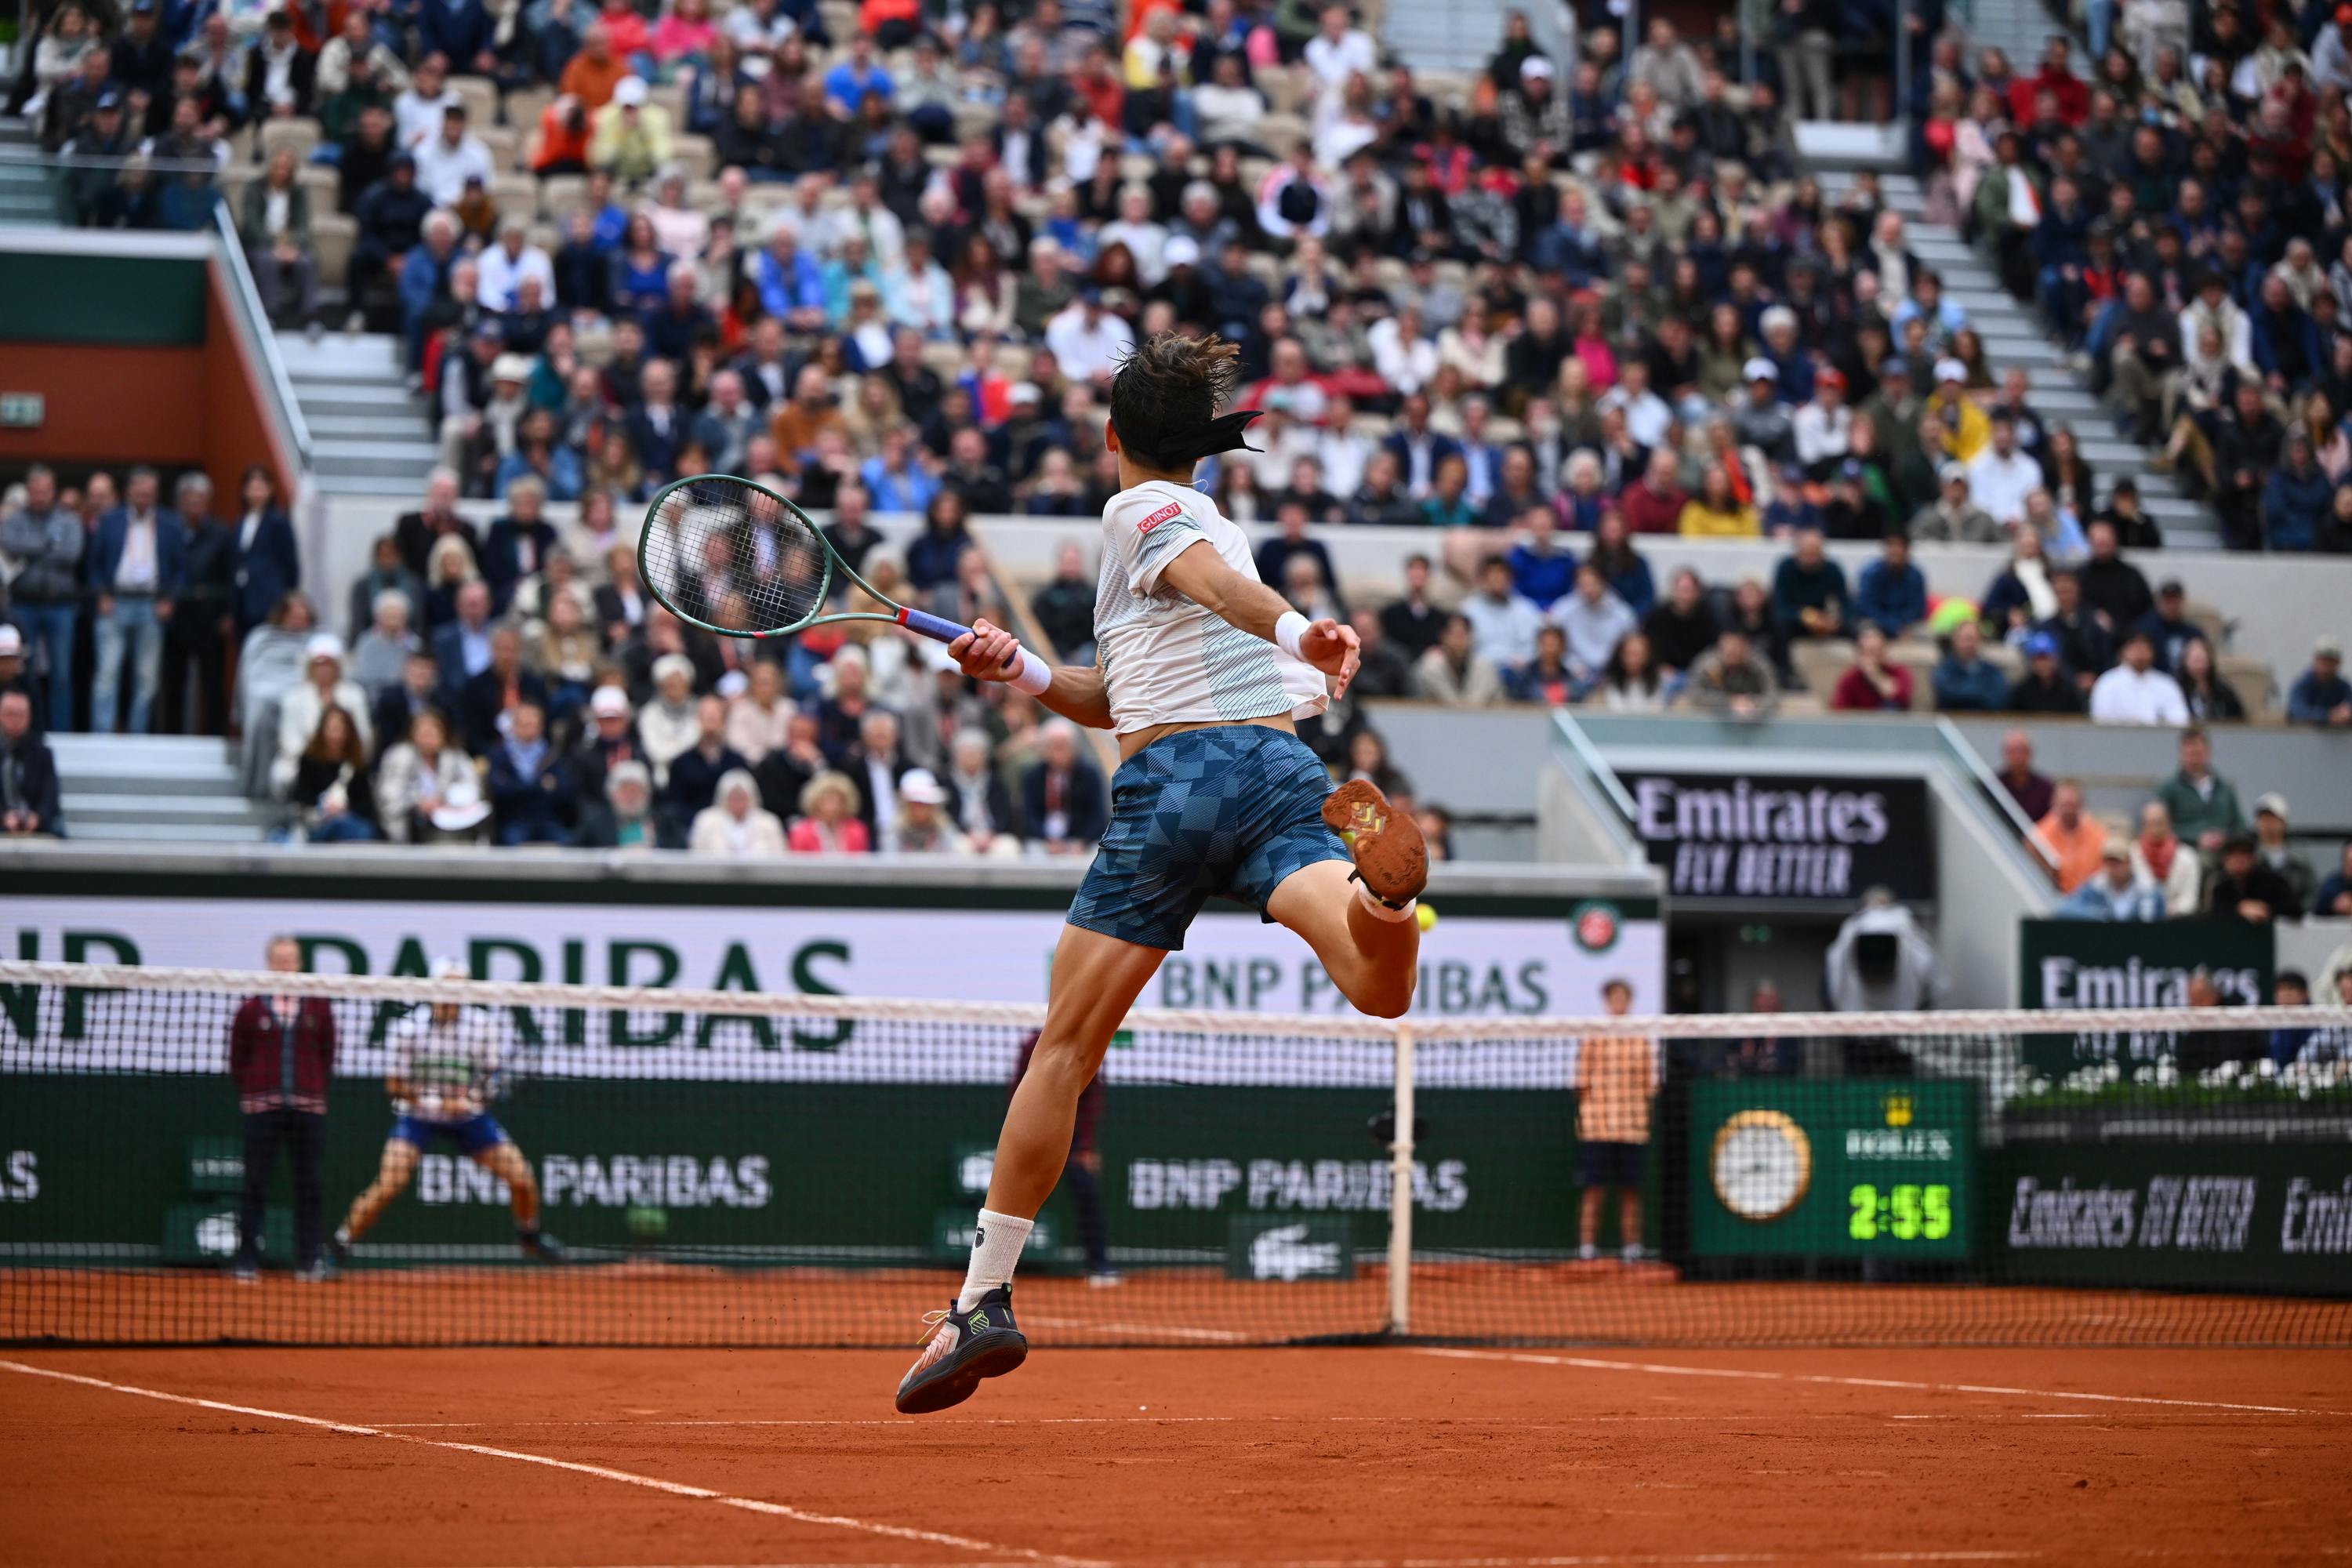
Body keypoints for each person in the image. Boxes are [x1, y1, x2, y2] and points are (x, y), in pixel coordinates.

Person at [898, 333, 1426, 1416]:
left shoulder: (1140, 516)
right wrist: (1025, 670)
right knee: (1380, 988)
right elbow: (1118, 697)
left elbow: (1214, 589)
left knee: (1065, 1049)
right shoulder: (1204, 522)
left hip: (1177, 785)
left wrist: (1293, 625)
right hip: (1281, 765)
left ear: (1112, 439)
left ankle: (982, 1302)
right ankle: (1385, 901)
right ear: (1208, 449)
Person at [329, 960, 563, 1269]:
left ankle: (529, 1234)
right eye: (447, 985)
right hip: (417, 1117)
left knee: (522, 1178)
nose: (453, 993)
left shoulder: (482, 1027)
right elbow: (394, 1085)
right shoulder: (407, 1029)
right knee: (390, 1183)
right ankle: (339, 1245)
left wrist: (472, 1099)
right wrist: (437, 1102)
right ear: (433, 988)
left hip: (469, 1120)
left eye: (459, 986)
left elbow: (492, 1078)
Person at [227, 935, 337, 1282]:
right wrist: (254, 1091)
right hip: (263, 1109)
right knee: (255, 1183)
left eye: (290, 959)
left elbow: (327, 1054)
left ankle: (308, 1260)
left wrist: (312, 1089)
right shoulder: (251, 1008)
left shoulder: (318, 1006)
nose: (285, 965)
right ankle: (247, 1259)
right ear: (269, 962)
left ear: (300, 962)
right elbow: (237, 1059)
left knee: (311, 1185)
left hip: (308, 1110)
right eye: (279, 959)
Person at [88, 466, 187, 735]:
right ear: (129, 492)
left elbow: (180, 569)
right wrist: (101, 594)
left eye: (148, 494)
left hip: (152, 604)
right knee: (107, 674)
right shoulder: (111, 520)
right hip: (115, 602)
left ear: (156, 494)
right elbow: (94, 564)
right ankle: (102, 735)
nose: (143, 499)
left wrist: (170, 600)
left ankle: (137, 734)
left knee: (147, 678)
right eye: (138, 493)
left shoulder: (169, 523)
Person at [1573, 978, 1653, 1264]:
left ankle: (1632, 1250)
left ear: (1629, 1002)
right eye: (1614, 998)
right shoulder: (1594, 1036)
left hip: (1632, 1129)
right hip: (1597, 1127)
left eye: (1624, 998)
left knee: (1630, 1191)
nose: (1619, 1003)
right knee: (1593, 1190)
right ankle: (1586, 1250)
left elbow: (1648, 1086)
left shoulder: (1640, 1039)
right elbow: (1581, 1083)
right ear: (1607, 1002)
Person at [1, 466, 83, 732]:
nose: (40, 496)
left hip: (60, 605)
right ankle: (31, 731)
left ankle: (61, 732)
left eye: (45, 490)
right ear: (28, 491)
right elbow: (10, 543)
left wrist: (32, 549)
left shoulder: (68, 520)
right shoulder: (14, 520)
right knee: (26, 673)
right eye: (35, 491)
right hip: (25, 604)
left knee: (61, 675)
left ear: (53, 490)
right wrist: (49, 546)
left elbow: (71, 553)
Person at [2153, 728, 2245, 856]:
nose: (2194, 758)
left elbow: (2239, 825)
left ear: (2208, 752)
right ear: (2180, 755)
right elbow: (2159, 828)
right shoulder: (2168, 789)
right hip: (2186, 851)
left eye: (2198, 752)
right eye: (2189, 753)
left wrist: (2224, 837)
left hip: (2227, 851)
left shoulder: (2225, 788)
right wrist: (2196, 837)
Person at [2087, 629, 2188, 725]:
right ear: (2123, 651)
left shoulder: (2167, 684)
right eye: (2134, 645)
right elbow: (2100, 721)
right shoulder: (2108, 683)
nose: (2140, 651)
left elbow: (2179, 721)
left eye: (2145, 646)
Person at [0, 691, 64, 838]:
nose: (15, 720)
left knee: (58, 830)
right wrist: (4, 817)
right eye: (10, 714)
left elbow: (51, 794)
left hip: (38, 825)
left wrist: (37, 818)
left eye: (21, 714)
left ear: (29, 717)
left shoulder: (42, 753)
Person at [2203, 833, 2303, 923]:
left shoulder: (2273, 882)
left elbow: (2295, 910)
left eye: (2243, 854)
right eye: (2232, 854)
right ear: (2224, 859)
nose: (2238, 860)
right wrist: (2238, 909)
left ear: (2253, 858)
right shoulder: (2221, 886)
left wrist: (2267, 910)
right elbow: (2213, 915)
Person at [2058, 841, 2167, 921]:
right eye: (2109, 862)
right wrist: (2097, 914)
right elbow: (2065, 911)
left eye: (2118, 862)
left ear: (2129, 863)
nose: (2113, 868)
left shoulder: (2147, 891)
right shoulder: (2095, 887)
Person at [2132, 801, 2203, 918]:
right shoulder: (2132, 853)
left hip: (2177, 922)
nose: (2155, 829)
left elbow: (2190, 899)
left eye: (2159, 823)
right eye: (2149, 824)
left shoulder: (2188, 857)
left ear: (2169, 823)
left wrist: (2166, 911)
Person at [2033, 781, 2105, 894]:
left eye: (2072, 805)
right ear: (2054, 804)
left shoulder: (2098, 836)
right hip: (2050, 898)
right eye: (2065, 805)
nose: (2068, 811)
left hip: (2089, 900)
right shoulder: (2039, 837)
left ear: (2081, 805)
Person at [2287, 636, 2352, 728]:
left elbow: (2349, 704)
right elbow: (2296, 711)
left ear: (2338, 663)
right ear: (2316, 660)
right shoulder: (2302, 685)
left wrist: (2347, 713)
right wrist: (2327, 715)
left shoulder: (2343, 687)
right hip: (2305, 738)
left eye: (2331, 660)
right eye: (2324, 660)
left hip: (2337, 739)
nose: (2327, 665)